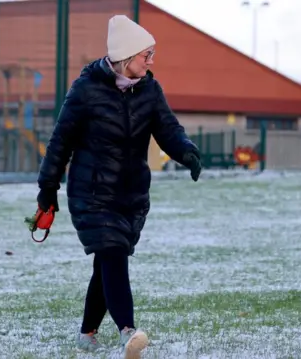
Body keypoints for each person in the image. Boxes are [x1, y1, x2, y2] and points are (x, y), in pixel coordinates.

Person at [35, 14, 202, 358]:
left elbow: (167, 128)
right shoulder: (85, 90)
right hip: (92, 193)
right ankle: (128, 331)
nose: (151, 60)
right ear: (127, 56)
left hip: (131, 194)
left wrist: (187, 152)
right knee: (111, 253)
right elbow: (60, 141)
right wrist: (48, 188)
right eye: (146, 55)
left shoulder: (150, 90)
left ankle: (86, 333)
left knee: (107, 261)